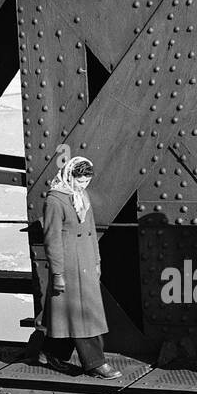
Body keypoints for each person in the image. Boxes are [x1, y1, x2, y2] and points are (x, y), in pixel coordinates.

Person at [38, 157, 121, 379]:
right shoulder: (55, 201)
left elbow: (92, 231)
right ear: (69, 175)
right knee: (83, 316)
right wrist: (57, 274)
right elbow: (52, 239)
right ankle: (95, 364)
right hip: (69, 267)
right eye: (79, 180)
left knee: (68, 315)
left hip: (85, 262)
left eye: (86, 181)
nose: (83, 185)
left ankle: (49, 353)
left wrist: (97, 261)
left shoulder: (82, 196)